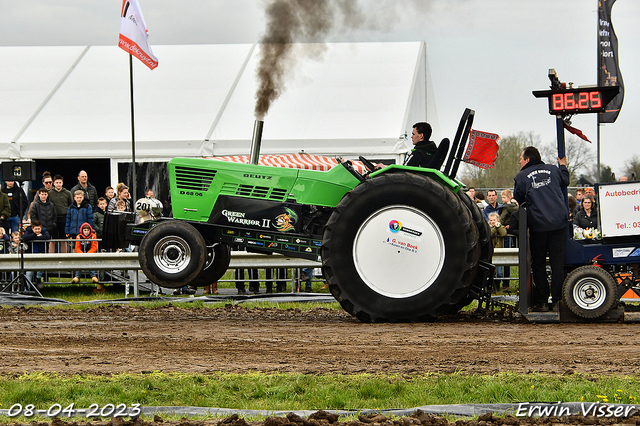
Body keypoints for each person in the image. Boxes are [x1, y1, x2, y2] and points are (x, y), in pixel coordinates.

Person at [514, 146, 569, 312]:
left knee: (538, 263)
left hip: (538, 225)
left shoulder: (522, 176)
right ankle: (559, 300)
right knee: (557, 262)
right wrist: (563, 166)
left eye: (521, 159)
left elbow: (518, 197)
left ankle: (543, 301)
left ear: (528, 160)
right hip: (559, 222)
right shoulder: (553, 169)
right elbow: (565, 181)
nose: (519, 162)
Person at [72, 222, 101, 292]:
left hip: (91, 254)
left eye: (88, 230)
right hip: (81, 254)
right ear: (82, 231)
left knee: (90, 261)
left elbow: (94, 247)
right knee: (79, 262)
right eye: (85, 230)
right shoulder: (78, 237)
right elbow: (77, 247)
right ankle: (77, 277)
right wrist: (82, 255)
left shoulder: (93, 236)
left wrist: (88, 254)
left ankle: (93, 276)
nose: (86, 232)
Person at [48, 174, 73, 253]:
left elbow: (71, 205)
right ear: (54, 183)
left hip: (64, 217)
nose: (58, 184)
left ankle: (64, 255)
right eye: (57, 182)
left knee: (63, 238)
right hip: (53, 218)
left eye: (60, 182)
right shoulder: (49, 193)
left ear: (62, 183)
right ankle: (50, 256)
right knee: (53, 238)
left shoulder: (68, 193)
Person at [22, 220, 51, 288]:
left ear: (41, 228)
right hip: (31, 254)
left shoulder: (44, 230)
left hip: (41, 253)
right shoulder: (29, 230)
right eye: (36, 229)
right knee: (29, 272)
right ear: (32, 228)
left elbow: (47, 236)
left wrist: (33, 237)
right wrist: (35, 235)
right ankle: (27, 289)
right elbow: (25, 238)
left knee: (41, 267)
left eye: (39, 229)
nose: (37, 230)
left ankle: (38, 278)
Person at [488, 212, 507, 292]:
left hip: (499, 252)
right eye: (491, 220)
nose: (493, 221)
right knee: (491, 272)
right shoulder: (488, 227)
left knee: (499, 273)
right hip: (491, 252)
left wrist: (498, 227)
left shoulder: (501, 227)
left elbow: (504, 234)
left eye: (494, 220)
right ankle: (492, 287)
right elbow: (490, 234)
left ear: (498, 220)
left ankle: (497, 285)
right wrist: (494, 228)